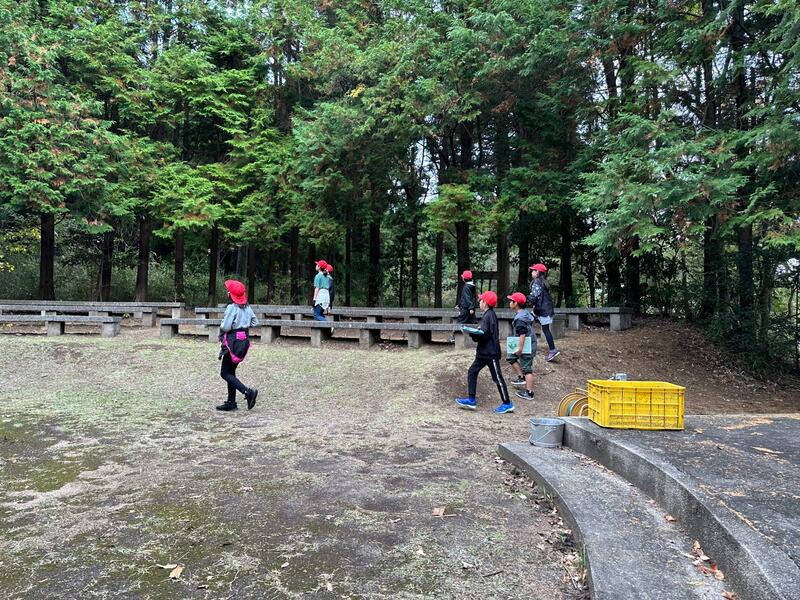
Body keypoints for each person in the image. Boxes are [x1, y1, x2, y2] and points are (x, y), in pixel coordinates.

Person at [455, 291, 514, 414]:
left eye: (481, 300)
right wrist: (476, 331)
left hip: (490, 353)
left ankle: (507, 403)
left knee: (497, 378)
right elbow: (484, 332)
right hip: (483, 353)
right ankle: (471, 400)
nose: (479, 302)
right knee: (472, 371)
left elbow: (484, 335)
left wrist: (472, 333)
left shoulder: (489, 316)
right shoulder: (487, 315)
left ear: (485, 303)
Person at [216, 279, 259, 412]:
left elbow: (225, 326)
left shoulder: (232, 307)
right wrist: (243, 325)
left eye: (228, 291)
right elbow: (255, 322)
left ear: (231, 294)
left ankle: (248, 392)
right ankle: (231, 402)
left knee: (224, 373)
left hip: (232, 341)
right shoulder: (247, 307)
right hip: (243, 341)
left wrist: (232, 326)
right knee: (231, 371)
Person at [506, 292, 536, 400]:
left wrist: (520, 348)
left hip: (527, 346)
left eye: (511, 301)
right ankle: (521, 377)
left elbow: (522, 334)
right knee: (510, 357)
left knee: (527, 369)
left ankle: (529, 393)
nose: (510, 303)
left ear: (516, 303)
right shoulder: (525, 313)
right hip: (526, 344)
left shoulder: (520, 319)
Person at [528, 263, 560, 362]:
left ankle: (553, 350)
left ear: (538, 272)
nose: (532, 272)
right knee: (529, 321)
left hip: (543, 310)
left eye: (533, 270)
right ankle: (528, 344)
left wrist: (524, 298)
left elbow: (534, 297)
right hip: (545, 309)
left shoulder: (537, 282)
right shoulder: (544, 282)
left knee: (545, 329)